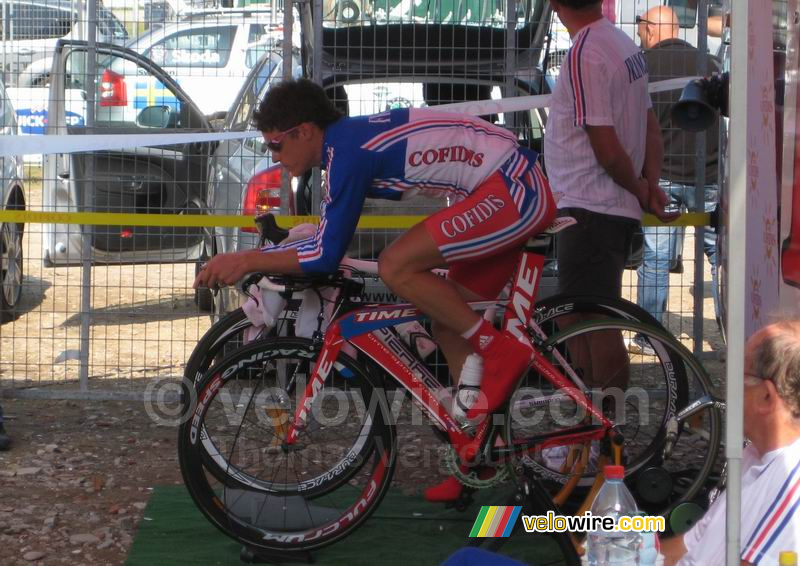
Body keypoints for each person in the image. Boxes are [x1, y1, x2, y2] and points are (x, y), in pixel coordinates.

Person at [193, 78, 557, 502]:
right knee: (447, 321)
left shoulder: (346, 152)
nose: (273, 155)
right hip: (504, 184)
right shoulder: (343, 145)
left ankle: (501, 354)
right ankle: (476, 455)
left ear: (305, 131)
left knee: (395, 265)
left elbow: (326, 256)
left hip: (513, 186)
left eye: (275, 144)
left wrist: (246, 260)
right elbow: (323, 244)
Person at [543, 0, 676, 396]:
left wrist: (642, 188)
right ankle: (592, 420)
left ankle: (606, 433)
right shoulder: (622, 43)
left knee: (595, 323)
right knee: (577, 317)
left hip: (590, 207)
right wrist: (648, 185)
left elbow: (606, 146)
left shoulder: (587, 51)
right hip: (598, 207)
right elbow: (649, 125)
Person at [661, 319, 800, 565]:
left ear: (766, 396)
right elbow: (690, 544)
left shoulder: (790, 481)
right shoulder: (753, 453)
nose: (726, 386)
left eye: (738, 374)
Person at [632, 5, 721, 354]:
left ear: (651, 29)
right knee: (718, 256)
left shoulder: (643, 68)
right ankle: (730, 323)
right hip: (708, 176)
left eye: (640, 30)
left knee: (655, 258)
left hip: (663, 177)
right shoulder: (708, 65)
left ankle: (649, 335)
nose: (640, 37)